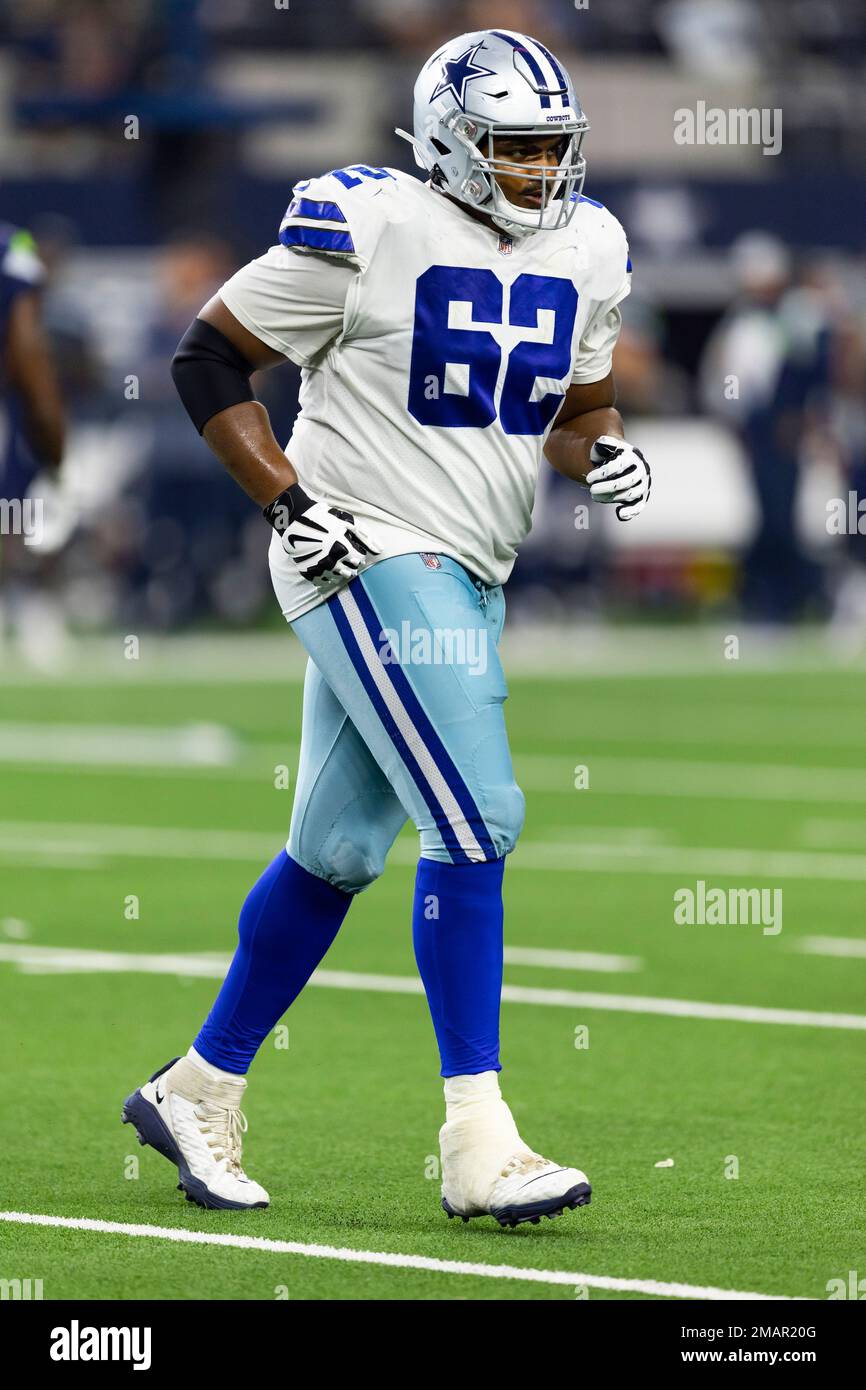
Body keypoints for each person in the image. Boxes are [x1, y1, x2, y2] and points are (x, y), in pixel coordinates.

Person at [123, 29, 651, 1226]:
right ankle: (479, 1138)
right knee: (477, 819)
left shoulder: (589, 242)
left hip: (471, 564)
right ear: (450, 141)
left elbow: (575, 405)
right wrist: (287, 502)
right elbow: (210, 358)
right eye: (510, 146)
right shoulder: (370, 223)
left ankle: (196, 1086)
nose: (535, 170)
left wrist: (603, 451)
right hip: (360, 543)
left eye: (549, 147)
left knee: (338, 853)